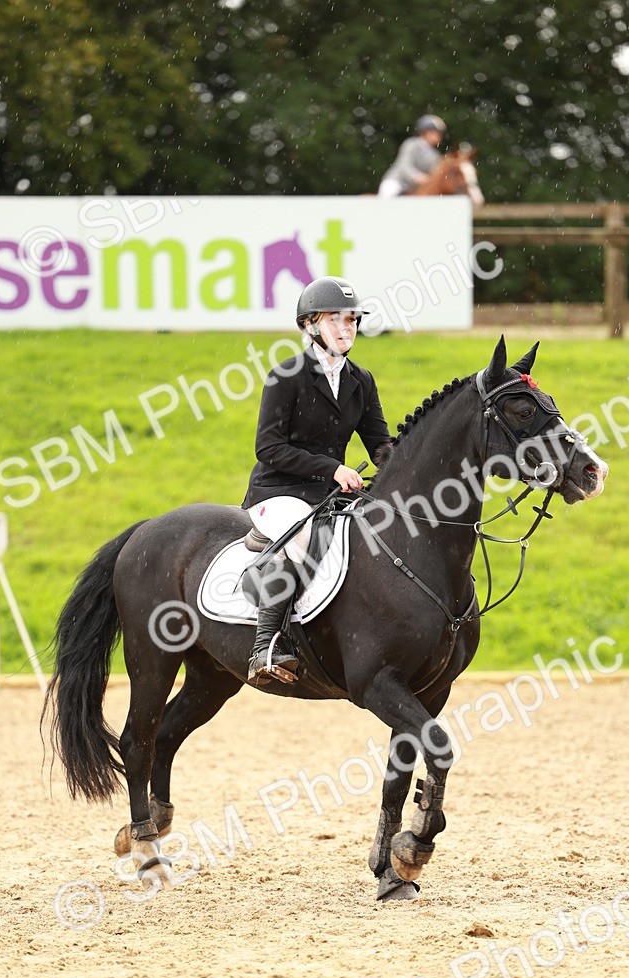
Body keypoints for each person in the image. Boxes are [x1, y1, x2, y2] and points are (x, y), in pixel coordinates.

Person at [242, 276, 393, 685]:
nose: (347, 329)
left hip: (329, 494)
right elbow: (268, 449)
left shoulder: (361, 381)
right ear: (310, 325)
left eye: (352, 321)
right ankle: (265, 647)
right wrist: (331, 468)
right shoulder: (285, 377)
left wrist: (407, 470)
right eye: (336, 320)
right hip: (277, 491)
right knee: (304, 536)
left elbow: (381, 444)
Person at [377, 114, 447, 197]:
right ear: (424, 132)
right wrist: (416, 177)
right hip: (398, 181)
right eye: (434, 132)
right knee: (388, 191)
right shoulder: (411, 144)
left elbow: (435, 172)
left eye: (439, 133)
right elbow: (404, 165)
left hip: (417, 188)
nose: (438, 136)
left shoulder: (435, 155)